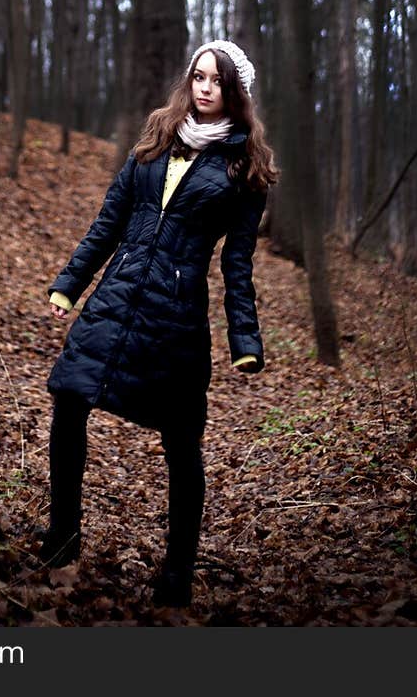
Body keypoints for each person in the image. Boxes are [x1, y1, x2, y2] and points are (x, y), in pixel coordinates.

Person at [39, 38, 278, 608]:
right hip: (117, 297)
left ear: (234, 92)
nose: (204, 87)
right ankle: (62, 534)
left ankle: (178, 570)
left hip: (174, 317)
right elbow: (110, 220)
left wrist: (245, 339)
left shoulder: (245, 169)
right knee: (68, 398)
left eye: (217, 81)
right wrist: (70, 284)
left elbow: (237, 265)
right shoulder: (155, 140)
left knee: (181, 441)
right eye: (198, 76)